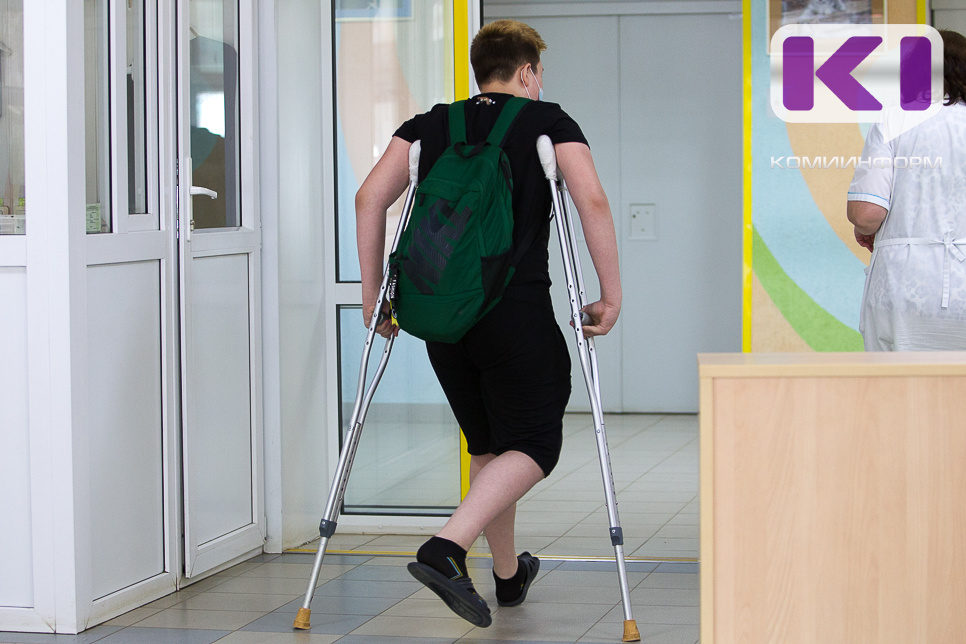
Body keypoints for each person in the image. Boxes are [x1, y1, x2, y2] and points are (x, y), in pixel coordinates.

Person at [354, 19, 621, 627]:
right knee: (535, 444)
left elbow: (370, 199)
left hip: (445, 321)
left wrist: (375, 297)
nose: (539, 83)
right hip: (514, 315)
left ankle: (507, 576)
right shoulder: (547, 121)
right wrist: (610, 294)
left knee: (491, 447)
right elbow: (592, 200)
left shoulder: (430, 125)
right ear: (526, 71)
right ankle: (447, 547)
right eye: (538, 74)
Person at [847, 29, 966, 351]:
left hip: (904, 288)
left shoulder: (895, 121)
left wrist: (866, 228)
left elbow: (867, 215)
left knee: (901, 381)